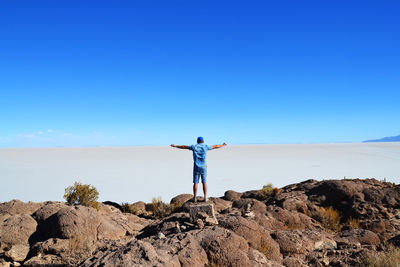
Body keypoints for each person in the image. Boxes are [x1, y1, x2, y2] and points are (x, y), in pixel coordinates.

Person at [171, 137, 227, 202]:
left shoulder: (194, 146)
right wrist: (223, 145)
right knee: (204, 182)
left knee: (195, 182)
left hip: (196, 166)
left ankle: (194, 197)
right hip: (203, 166)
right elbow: (215, 146)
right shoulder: (205, 146)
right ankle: (205, 197)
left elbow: (184, 146)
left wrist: (175, 146)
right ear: (203, 141)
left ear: (197, 141)